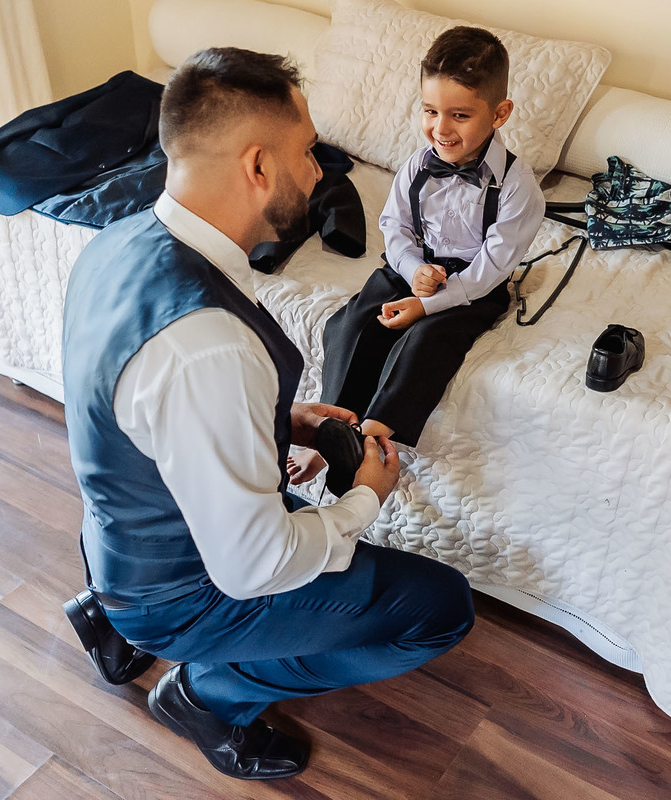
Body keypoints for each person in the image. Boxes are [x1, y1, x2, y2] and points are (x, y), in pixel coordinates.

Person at [58, 47, 476, 782]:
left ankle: (105, 615)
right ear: (258, 167)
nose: (319, 171)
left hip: (116, 530)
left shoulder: (119, 241)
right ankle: (207, 691)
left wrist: (280, 420)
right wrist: (360, 504)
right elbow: (252, 565)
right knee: (441, 608)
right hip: (179, 583)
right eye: (308, 151)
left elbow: (136, 412)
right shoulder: (208, 347)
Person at [288, 26, 546, 494]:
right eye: (430, 111)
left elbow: (495, 264)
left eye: (460, 115)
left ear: (500, 113)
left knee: (426, 340)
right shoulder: (416, 163)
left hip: (473, 286)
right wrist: (412, 271)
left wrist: (427, 304)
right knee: (350, 322)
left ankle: (373, 435)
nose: (441, 129)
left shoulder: (517, 187)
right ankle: (330, 431)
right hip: (413, 265)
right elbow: (395, 227)